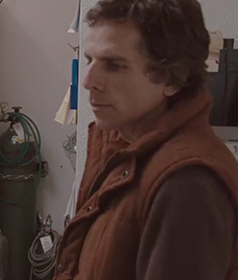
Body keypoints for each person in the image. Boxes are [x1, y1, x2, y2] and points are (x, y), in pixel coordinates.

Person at [54, 0, 238, 280]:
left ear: (173, 78)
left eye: (114, 65)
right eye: (89, 59)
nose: (89, 80)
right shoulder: (120, 145)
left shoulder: (188, 182)